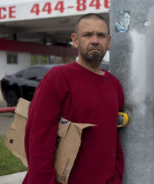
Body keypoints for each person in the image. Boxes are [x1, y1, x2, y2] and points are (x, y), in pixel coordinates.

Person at [23, 13, 124, 184]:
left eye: (100, 35)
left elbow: (113, 138)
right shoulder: (57, 78)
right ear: (75, 40)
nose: (94, 40)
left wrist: (116, 176)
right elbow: (38, 140)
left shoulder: (115, 85)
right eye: (87, 35)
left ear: (108, 41)